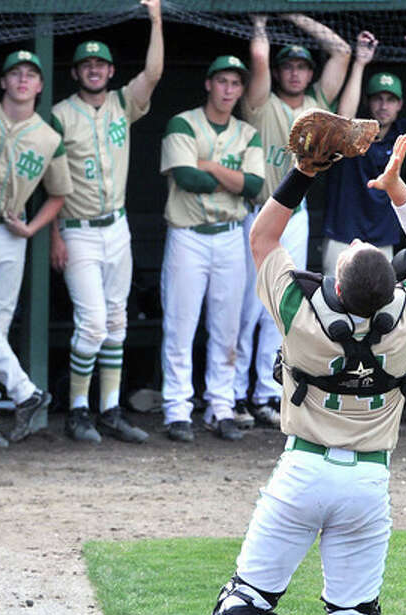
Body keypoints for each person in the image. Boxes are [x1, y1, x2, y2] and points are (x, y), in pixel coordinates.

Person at [189, 132, 406, 615]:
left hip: (300, 473)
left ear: (339, 279)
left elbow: (263, 237)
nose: (355, 243)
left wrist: (302, 173)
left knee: (249, 593)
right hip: (367, 482)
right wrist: (397, 188)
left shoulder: (303, 314)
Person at [49, 0, 164, 444]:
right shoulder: (59, 113)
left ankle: (110, 409)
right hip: (77, 227)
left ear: (110, 71)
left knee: (117, 320)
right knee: (93, 322)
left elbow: (153, 74)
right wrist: (55, 234)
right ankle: (78, 409)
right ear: (76, 72)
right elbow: (48, 181)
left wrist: (155, 18)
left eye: (100, 64)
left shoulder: (121, 103)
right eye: (86, 65)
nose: (93, 70)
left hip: (117, 226)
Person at [233, 13, 350, 431]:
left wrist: (294, 15)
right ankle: (233, 393)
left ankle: (265, 392)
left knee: (281, 306)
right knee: (245, 308)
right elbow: (259, 57)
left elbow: (341, 51)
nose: (295, 73)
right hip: (258, 215)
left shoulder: (319, 104)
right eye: (290, 66)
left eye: (301, 66)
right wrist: (263, 23)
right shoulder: (261, 102)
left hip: (296, 217)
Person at [0, 50, 70, 448]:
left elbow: (59, 193)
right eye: (15, 74)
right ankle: (23, 389)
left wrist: (33, 228)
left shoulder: (48, 136)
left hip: (9, 233)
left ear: (40, 86)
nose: (22, 80)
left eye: (30, 75)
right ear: (3, 81)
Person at [158, 55, 264, 443]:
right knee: (180, 325)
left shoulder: (247, 132)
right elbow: (187, 178)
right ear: (208, 84)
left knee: (227, 327)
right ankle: (177, 409)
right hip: (188, 235)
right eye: (222, 81)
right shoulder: (183, 123)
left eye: (235, 84)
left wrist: (212, 167)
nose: (228, 90)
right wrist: (229, 178)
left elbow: (253, 186)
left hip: (230, 234)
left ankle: (220, 406)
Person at [322, 28, 406, 269]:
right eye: (378, 98)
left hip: (383, 239)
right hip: (343, 235)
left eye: (390, 100)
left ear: (400, 104)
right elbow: (343, 118)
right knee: (336, 305)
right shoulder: (355, 129)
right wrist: (360, 63)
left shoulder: (401, 132)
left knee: (379, 304)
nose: (384, 106)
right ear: (368, 101)